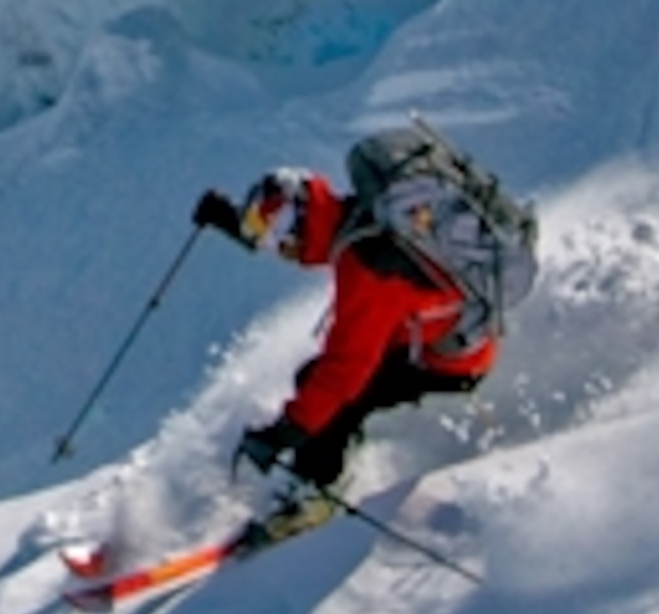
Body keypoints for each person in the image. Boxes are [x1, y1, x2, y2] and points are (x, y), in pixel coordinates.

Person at [191, 164, 500, 521]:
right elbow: (315, 242)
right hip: (447, 334)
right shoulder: (360, 217)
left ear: (299, 224)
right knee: (321, 383)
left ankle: (316, 495)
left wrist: (284, 433)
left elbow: (344, 371)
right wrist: (233, 223)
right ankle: (328, 463)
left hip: (448, 361)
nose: (279, 251)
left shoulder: (369, 268)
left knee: (331, 396)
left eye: (277, 238)